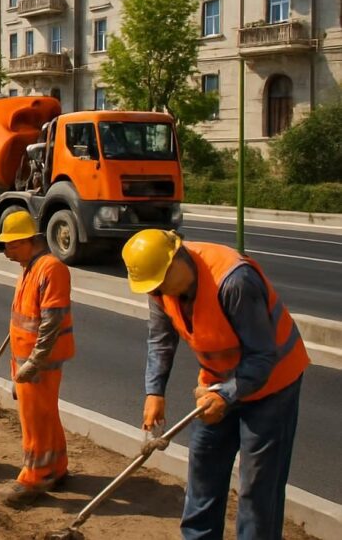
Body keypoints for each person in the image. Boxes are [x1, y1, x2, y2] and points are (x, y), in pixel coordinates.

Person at [123, 229, 309, 539]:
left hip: (273, 384)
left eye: (160, 283)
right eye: (152, 287)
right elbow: (160, 339)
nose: (157, 293)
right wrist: (154, 391)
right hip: (216, 383)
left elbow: (262, 356)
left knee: (258, 486)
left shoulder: (234, 280)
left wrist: (227, 395)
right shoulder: (160, 289)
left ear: (177, 261)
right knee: (204, 468)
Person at [0, 210, 75, 507]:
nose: (7, 251)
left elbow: (51, 322)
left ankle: (34, 477)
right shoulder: (30, 266)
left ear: (30, 240)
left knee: (34, 421)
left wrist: (33, 363)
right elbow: (27, 316)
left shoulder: (51, 268)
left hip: (40, 361)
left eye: (12, 245)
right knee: (46, 415)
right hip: (25, 359)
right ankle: (56, 466)